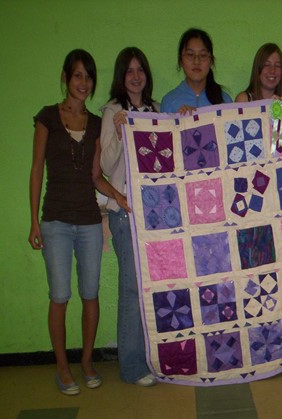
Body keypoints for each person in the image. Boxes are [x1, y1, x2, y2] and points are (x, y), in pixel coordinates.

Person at [28, 49, 129, 395]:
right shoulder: (47, 118)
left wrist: (119, 197)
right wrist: (34, 222)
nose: (84, 83)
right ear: (66, 78)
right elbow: (36, 170)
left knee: (90, 294)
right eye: (77, 76)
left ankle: (86, 362)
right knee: (59, 296)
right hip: (55, 221)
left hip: (88, 222)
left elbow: (96, 176)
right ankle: (62, 368)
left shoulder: (97, 124)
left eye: (88, 77)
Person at [100, 47, 158, 387]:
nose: (135, 76)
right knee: (131, 289)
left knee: (150, 288)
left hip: (152, 213)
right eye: (129, 71)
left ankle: (149, 358)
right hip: (124, 213)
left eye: (140, 70)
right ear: (121, 77)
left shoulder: (155, 110)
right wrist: (121, 135)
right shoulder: (113, 111)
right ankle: (132, 366)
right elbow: (106, 166)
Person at [160, 28, 232, 114]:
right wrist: (179, 119)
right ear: (180, 60)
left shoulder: (225, 101)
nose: (197, 61)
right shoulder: (169, 101)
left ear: (211, 61)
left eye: (203, 55)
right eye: (190, 54)